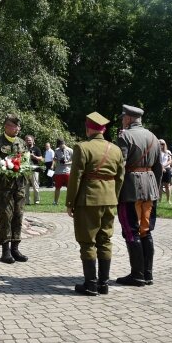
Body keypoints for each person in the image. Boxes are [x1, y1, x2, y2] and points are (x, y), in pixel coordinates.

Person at [67, 112, 125, 296]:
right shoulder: (115, 149)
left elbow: (75, 178)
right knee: (105, 240)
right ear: (104, 129)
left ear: (88, 127)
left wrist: (70, 202)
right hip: (109, 200)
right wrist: (113, 196)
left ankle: (90, 284)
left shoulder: (82, 148)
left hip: (88, 200)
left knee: (87, 242)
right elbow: (120, 178)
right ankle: (103, 284)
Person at [115, 104, 162, 287]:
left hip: (131, 188)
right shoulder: (153, 137)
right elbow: (159, 167)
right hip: (150, 187)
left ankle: (137, 274)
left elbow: (121, 164)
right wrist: (155, 188)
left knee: (130, 229)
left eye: (123, 117)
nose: (122, 120)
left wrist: (116, 189)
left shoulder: (124, 136)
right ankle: (148, 274)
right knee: (145, 230)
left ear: (128, 118)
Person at [0, 114, 29, 264]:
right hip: (4, 188)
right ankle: (5, 251)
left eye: (18, 126)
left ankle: (15, 249)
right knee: (6, 216)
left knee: (18, 215)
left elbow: (26, 160)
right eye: (14, 126)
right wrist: (4, 167)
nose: (17, 129)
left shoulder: (22, 143)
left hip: (19, 186)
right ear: (6, 126)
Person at [53, 139, 73, 206]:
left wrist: (67, 163)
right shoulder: (56, 150)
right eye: (60, 145)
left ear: (64, 143)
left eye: (62, 144)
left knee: (69, 188)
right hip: (58, 171)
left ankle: (70, 202)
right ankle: (55, 202)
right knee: (57, 187)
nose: (61, 146)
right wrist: (55, 160)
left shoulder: (70, 150)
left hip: (67, 171)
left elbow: (74, 161)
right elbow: (54, 159)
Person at [25, 135, 43, 204]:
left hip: (34, 169)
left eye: (30, 140)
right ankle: (27, 201)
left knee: (35, 186)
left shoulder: (37, 149)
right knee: (26, 187)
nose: (28, 141)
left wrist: (34, 157)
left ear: (33, 141)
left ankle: (37, 201)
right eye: (27, 140)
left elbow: (41, 159)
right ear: (25, 141)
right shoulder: (23, 149)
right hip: (25, 169)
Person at [158, 139, 172, 204]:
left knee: (167, 185)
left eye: (163, 144)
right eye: (160, 144)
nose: (161, 145)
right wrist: (161, 167)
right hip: (159, 169)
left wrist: (163, 166)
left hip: (167, 169)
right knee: (160, 186)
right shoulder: (157, 152)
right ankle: (159, 200)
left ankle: (168, 200)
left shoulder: (168, 152)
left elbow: (170, 161)